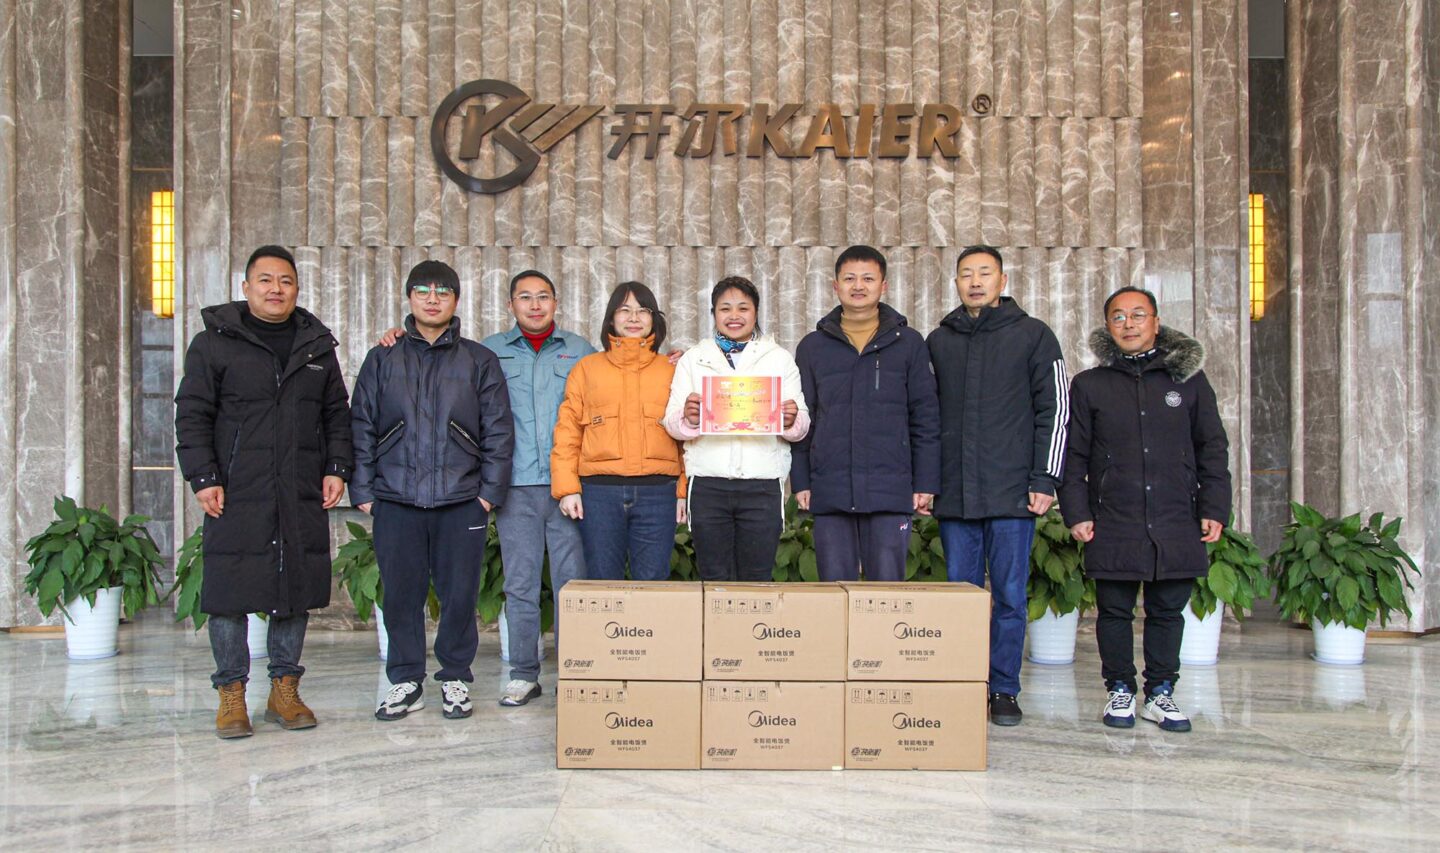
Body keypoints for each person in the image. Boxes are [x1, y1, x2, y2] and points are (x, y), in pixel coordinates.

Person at [174, 244, 353, 739]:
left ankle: (284, 691)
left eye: (286, 281)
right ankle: (231, 694)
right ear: (246, 287)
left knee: (294, 589)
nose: (277, 289)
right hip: (236, 488)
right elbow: (192, 414)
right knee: (228, 591)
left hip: (298, 486)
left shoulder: (316, 346)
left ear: (297, 289)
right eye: (266, 280)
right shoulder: (214, 343)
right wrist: (203, 476)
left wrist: (337, 468)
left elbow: (336, 414)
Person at [1059, 286, 1231, 733]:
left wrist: (1214, 506)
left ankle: (1160, 692)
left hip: (1175, 516)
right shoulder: (1090, 385)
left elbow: (1212, 447)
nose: (1129, 324)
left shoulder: (1187, 381)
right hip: (1113, 516)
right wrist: (1077, 512)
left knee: (1168, 610)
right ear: (1107, 327)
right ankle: (1119, 688)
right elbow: (1074, 455)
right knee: (1114, 610)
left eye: (1138, 315)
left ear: (1156, 322)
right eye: (1118, 317)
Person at [350, 260, 515, 722]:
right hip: (396, 497)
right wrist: (364, 490)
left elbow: (498, 431)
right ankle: (405, 679)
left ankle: (455, 677)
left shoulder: (478, 360)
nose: (432, 298)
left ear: (456, 301)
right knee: (400, 594)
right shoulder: (382, 358)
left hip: (461, 500)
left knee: (460, 595)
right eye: (422, 290)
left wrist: (487, 495)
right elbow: (361, 423)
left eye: (443, 291)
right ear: (409, 297)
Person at [927, 246, 1069, 728]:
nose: (975, 281)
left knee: (1009, 595)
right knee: (961, 597)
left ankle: (1004, 688)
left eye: (984, 273)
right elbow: (925, 416)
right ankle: (965, 685)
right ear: (956, 283)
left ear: (1002, 280)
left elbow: (1056, 410)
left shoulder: (1034, 335)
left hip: (1012, 492)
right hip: (956, 493)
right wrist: (927, 483)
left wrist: (1045, 477)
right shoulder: (939, 340)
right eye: (966, 274)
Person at [790, 245, 940, 581]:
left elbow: (925, 418)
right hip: (831, 488)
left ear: (883, 285)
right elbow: (803, 418)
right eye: (850, 279)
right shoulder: (813, 347)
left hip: (890, 489)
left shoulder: (908, 343)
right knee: (834, 591)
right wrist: (801, 480)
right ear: (836, 286)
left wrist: (925, 481)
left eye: (868, 278)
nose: (858, 286)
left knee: (886, 596)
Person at [480, 270, 594, 708]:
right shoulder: (490, 351)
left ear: (555, 302)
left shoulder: (580, 351)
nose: (534, 305)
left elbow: (614, 386)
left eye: (543, 296)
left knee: (571, 584)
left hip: (569, 487)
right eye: (525, 297)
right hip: (516, 487)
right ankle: (524, 674)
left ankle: (573, 671)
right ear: (511, 304)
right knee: (521, 585)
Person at [662, 276, 810, 581]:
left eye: (743, 308)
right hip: (708, 484)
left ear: (756, 313)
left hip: (762, 484)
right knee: (713, 577)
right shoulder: (694, 359)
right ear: (713, 313)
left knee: (757, 578)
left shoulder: (779, 359)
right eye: (725, 308)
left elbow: (802, 425)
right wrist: (689, 418)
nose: (734, 315)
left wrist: (790, 419)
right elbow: (671, 424)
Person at [551, 282, 686, 581]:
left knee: (653, 582)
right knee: (602, 583)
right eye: (624, 310)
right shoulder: (587, 369)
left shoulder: (673, 369)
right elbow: (568, 432)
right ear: (611, 318)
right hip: (598, 493)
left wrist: (682, 492)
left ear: (654, 319)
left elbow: (687, 439)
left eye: (643, 310)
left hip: (659, 493)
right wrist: (568, 488)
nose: (633, 318)